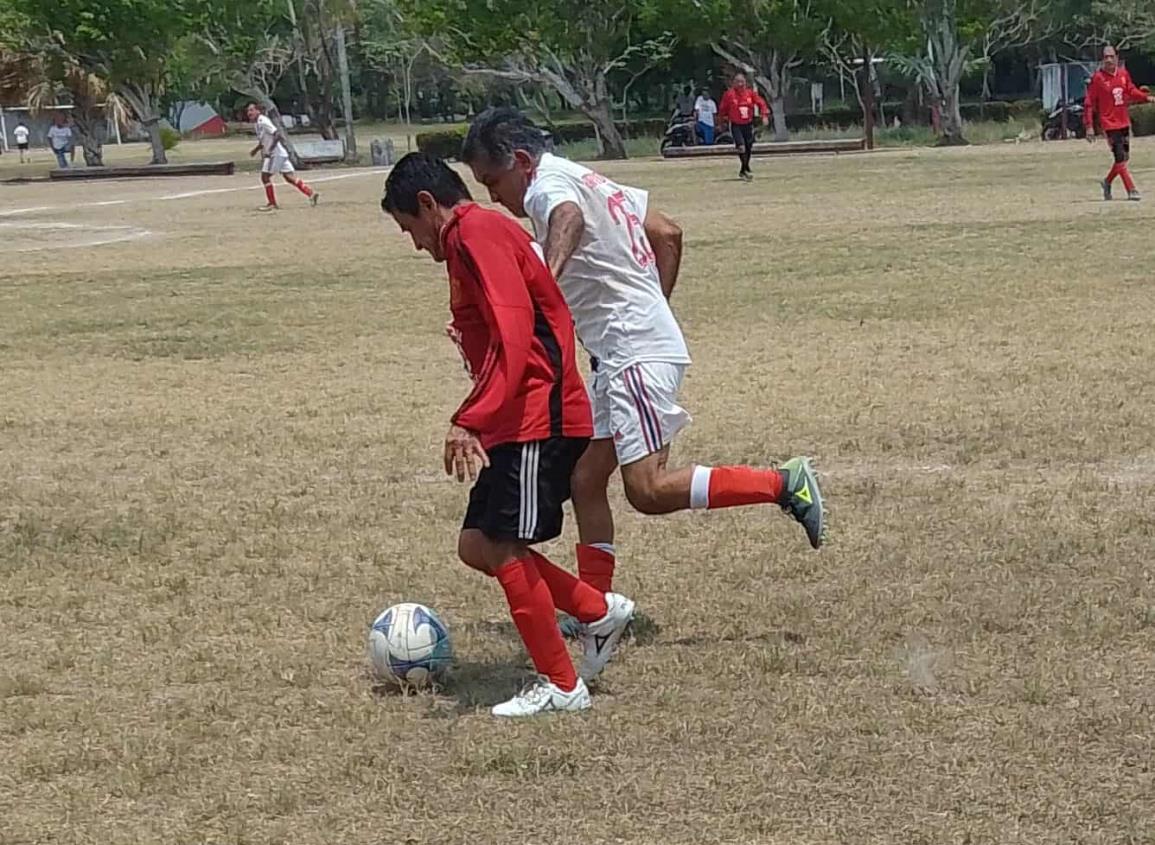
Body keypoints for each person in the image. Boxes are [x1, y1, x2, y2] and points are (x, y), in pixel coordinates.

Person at [461, 108, 824, 615]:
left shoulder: (548, 190)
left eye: (493, 181)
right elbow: (667, 232)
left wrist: (542, 284)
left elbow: (569, 218)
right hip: (627, 347)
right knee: (584, 481)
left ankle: (783, 483)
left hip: (631, 349)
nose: (492, 197)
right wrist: (653, 309)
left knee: (648, 490)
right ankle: (597, 609)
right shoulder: (587, 177)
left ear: (521, 162)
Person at [380, 152, 636, 717]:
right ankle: (597, 610)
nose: (417, 244)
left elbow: (518, 336)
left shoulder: (477, 233)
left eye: (411, 229)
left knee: (500, 544)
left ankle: (563, 686)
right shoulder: (470, 240)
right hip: (517, 414)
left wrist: (471, 415)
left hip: (534, 417)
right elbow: (504, 326)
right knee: (477, 544)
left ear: (428, 204)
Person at [1084, 44, 1155, 201]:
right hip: (1109, 124)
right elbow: (1089, 103)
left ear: (1116, 58)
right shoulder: (1098, 78)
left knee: (1124, 158)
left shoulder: (1123, 74)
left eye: (1111, 56)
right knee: (1120, 158)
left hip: (1123, 122)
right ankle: (1131, 190)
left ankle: (1107, 181)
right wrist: (1089, 125)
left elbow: (1131, 90)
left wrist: (1146, 97)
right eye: (1105, 57)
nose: (1108, 60)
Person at [246, 103, 319, 212]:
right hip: (280, 153)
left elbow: (277, 134)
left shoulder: (263, 121)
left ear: (258, 111)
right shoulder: (257, 124)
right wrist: (256, 150)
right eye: (248, 111)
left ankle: (272, 203)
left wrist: (270, 149)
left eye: (251, 110)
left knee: (265, 177)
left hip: (275, 154)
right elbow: (264, 140)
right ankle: (310, 193)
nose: (249, 113)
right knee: (289, 177)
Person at [718, 74, 769, 182]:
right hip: (736, 125)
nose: (740, 84)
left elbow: (761, 103)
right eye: (738, 82)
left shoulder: (750, 93)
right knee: (741, 147)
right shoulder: (729, 95)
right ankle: (745, 170)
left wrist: (764, 115)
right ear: (734, 83)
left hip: (748, 124)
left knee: (749, 147)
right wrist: (721, 122)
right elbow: (722, 109)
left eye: (742, 82)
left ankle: (744, 168)